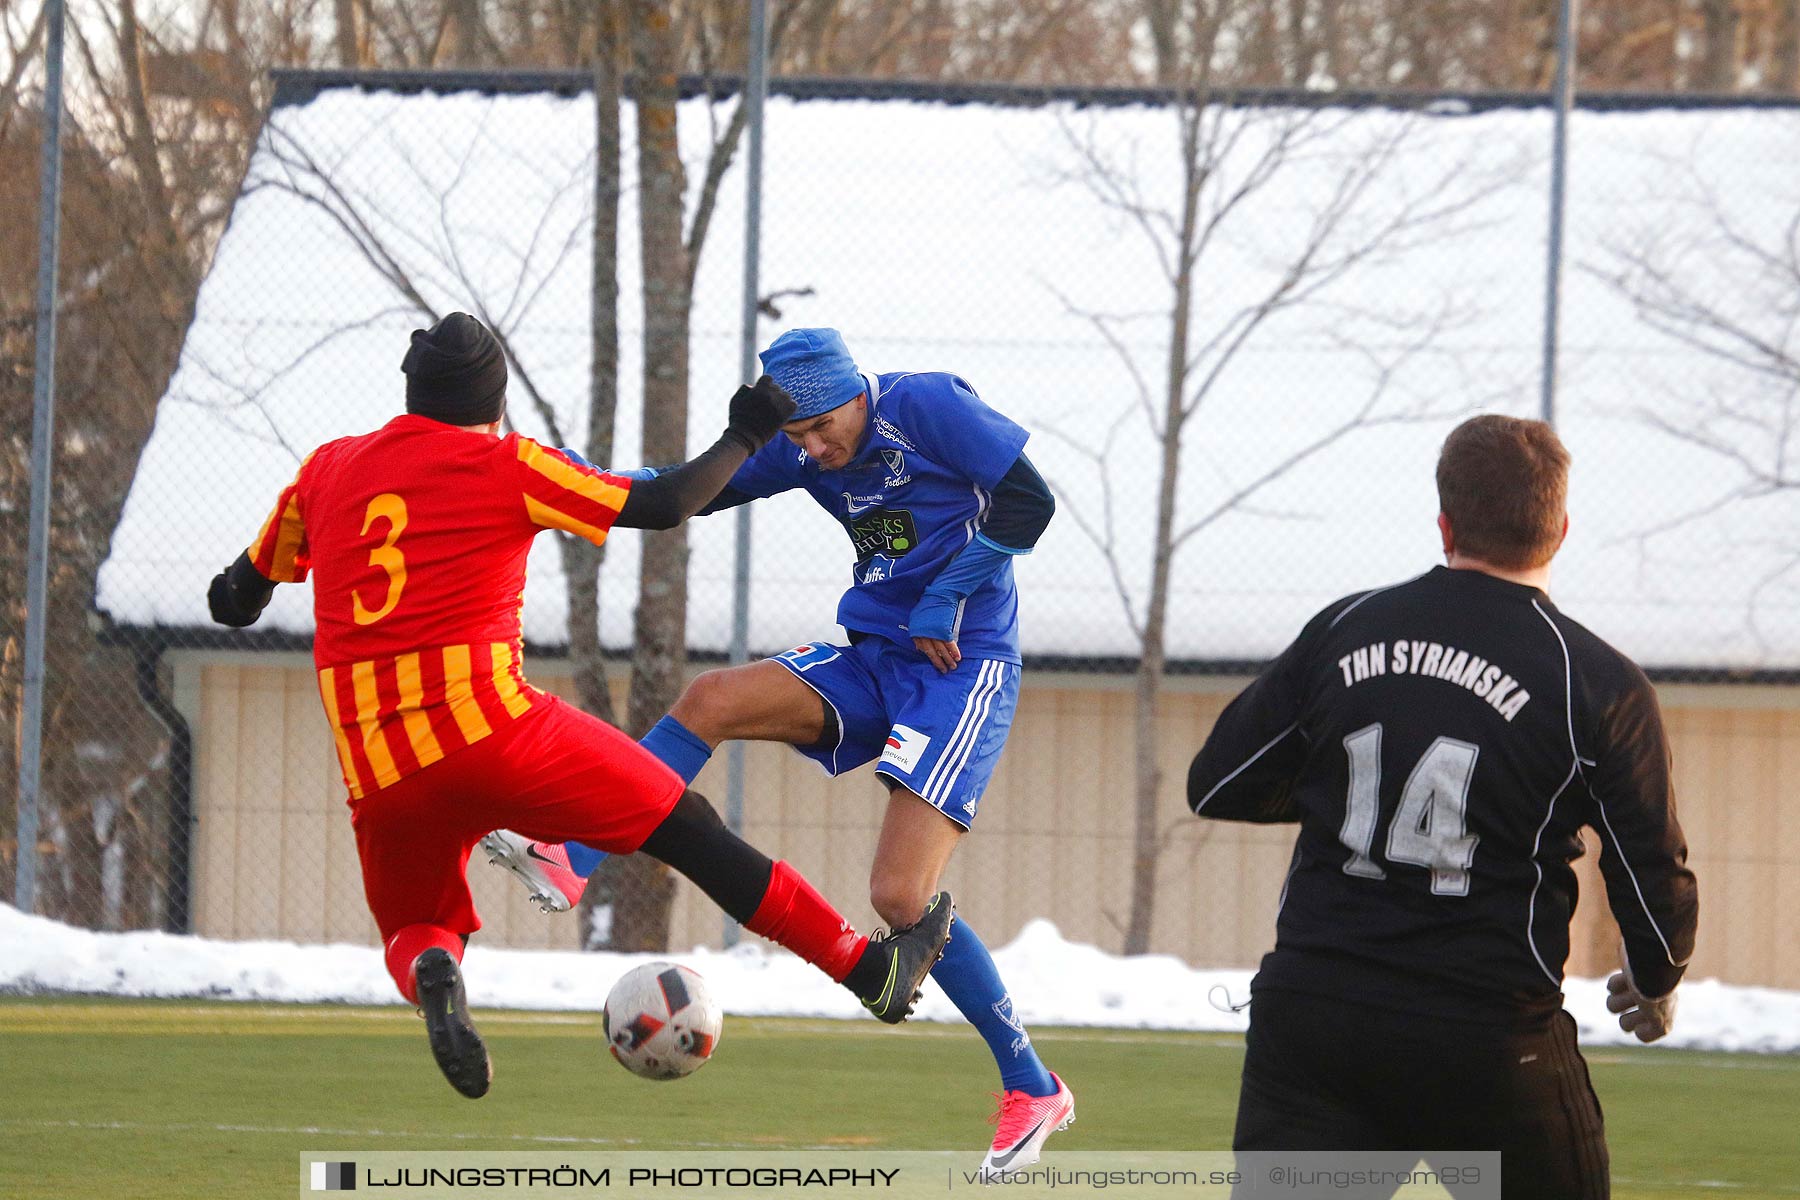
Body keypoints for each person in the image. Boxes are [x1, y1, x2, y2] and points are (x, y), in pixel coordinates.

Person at [204, 313, 954, 1100]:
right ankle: (869, 970)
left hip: (380, 768)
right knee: (687, 828)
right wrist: (747, 430)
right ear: (493, 404)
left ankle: (435, 971)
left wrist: (245, 588)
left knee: (417, 926)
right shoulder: (509, 463)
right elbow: (665, 504)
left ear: (412, 395)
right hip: (493, 729)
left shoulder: (328, 469)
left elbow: (235, 599)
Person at [483, 328, 1072, 1174]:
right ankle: (572, 856)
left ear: (856, 393)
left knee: (901, 898)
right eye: (797, 436)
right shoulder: (808, 450)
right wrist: (566, 472)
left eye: (824, 427)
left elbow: (1030, 501)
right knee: (709, 699)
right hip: (876, 658)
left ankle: (1032, 1084)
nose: (815, 449)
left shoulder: (926, 404)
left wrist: (947, 595)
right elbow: (684, 491)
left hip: (960, 667)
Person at [1186, 415, 1698, 1199]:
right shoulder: (1594, 680)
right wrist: (1656, 975)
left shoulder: (1347, 627)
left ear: (1445, 522)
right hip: (1488, 1035)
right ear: (1560, 530)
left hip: (1319, 1021)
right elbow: (1653, 875)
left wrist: (1347, 792)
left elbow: (1220, 782)